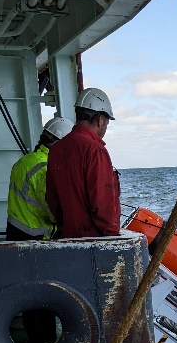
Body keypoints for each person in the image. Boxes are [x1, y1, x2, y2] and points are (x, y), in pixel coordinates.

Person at [44, 87, 121, 239]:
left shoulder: (56, 148)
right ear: (100, 120)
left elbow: (52, 199)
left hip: (68, 237)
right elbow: (102, 203)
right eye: (106, 123)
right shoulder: (95, 150)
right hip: (95, 241)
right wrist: (112, 235)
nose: (105, 128)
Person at [6, 116, 71, 241]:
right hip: (35, 237)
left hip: (16, 232)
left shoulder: (25, 160)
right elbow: (54, 212)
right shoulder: (44, 168)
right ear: (59, 143)